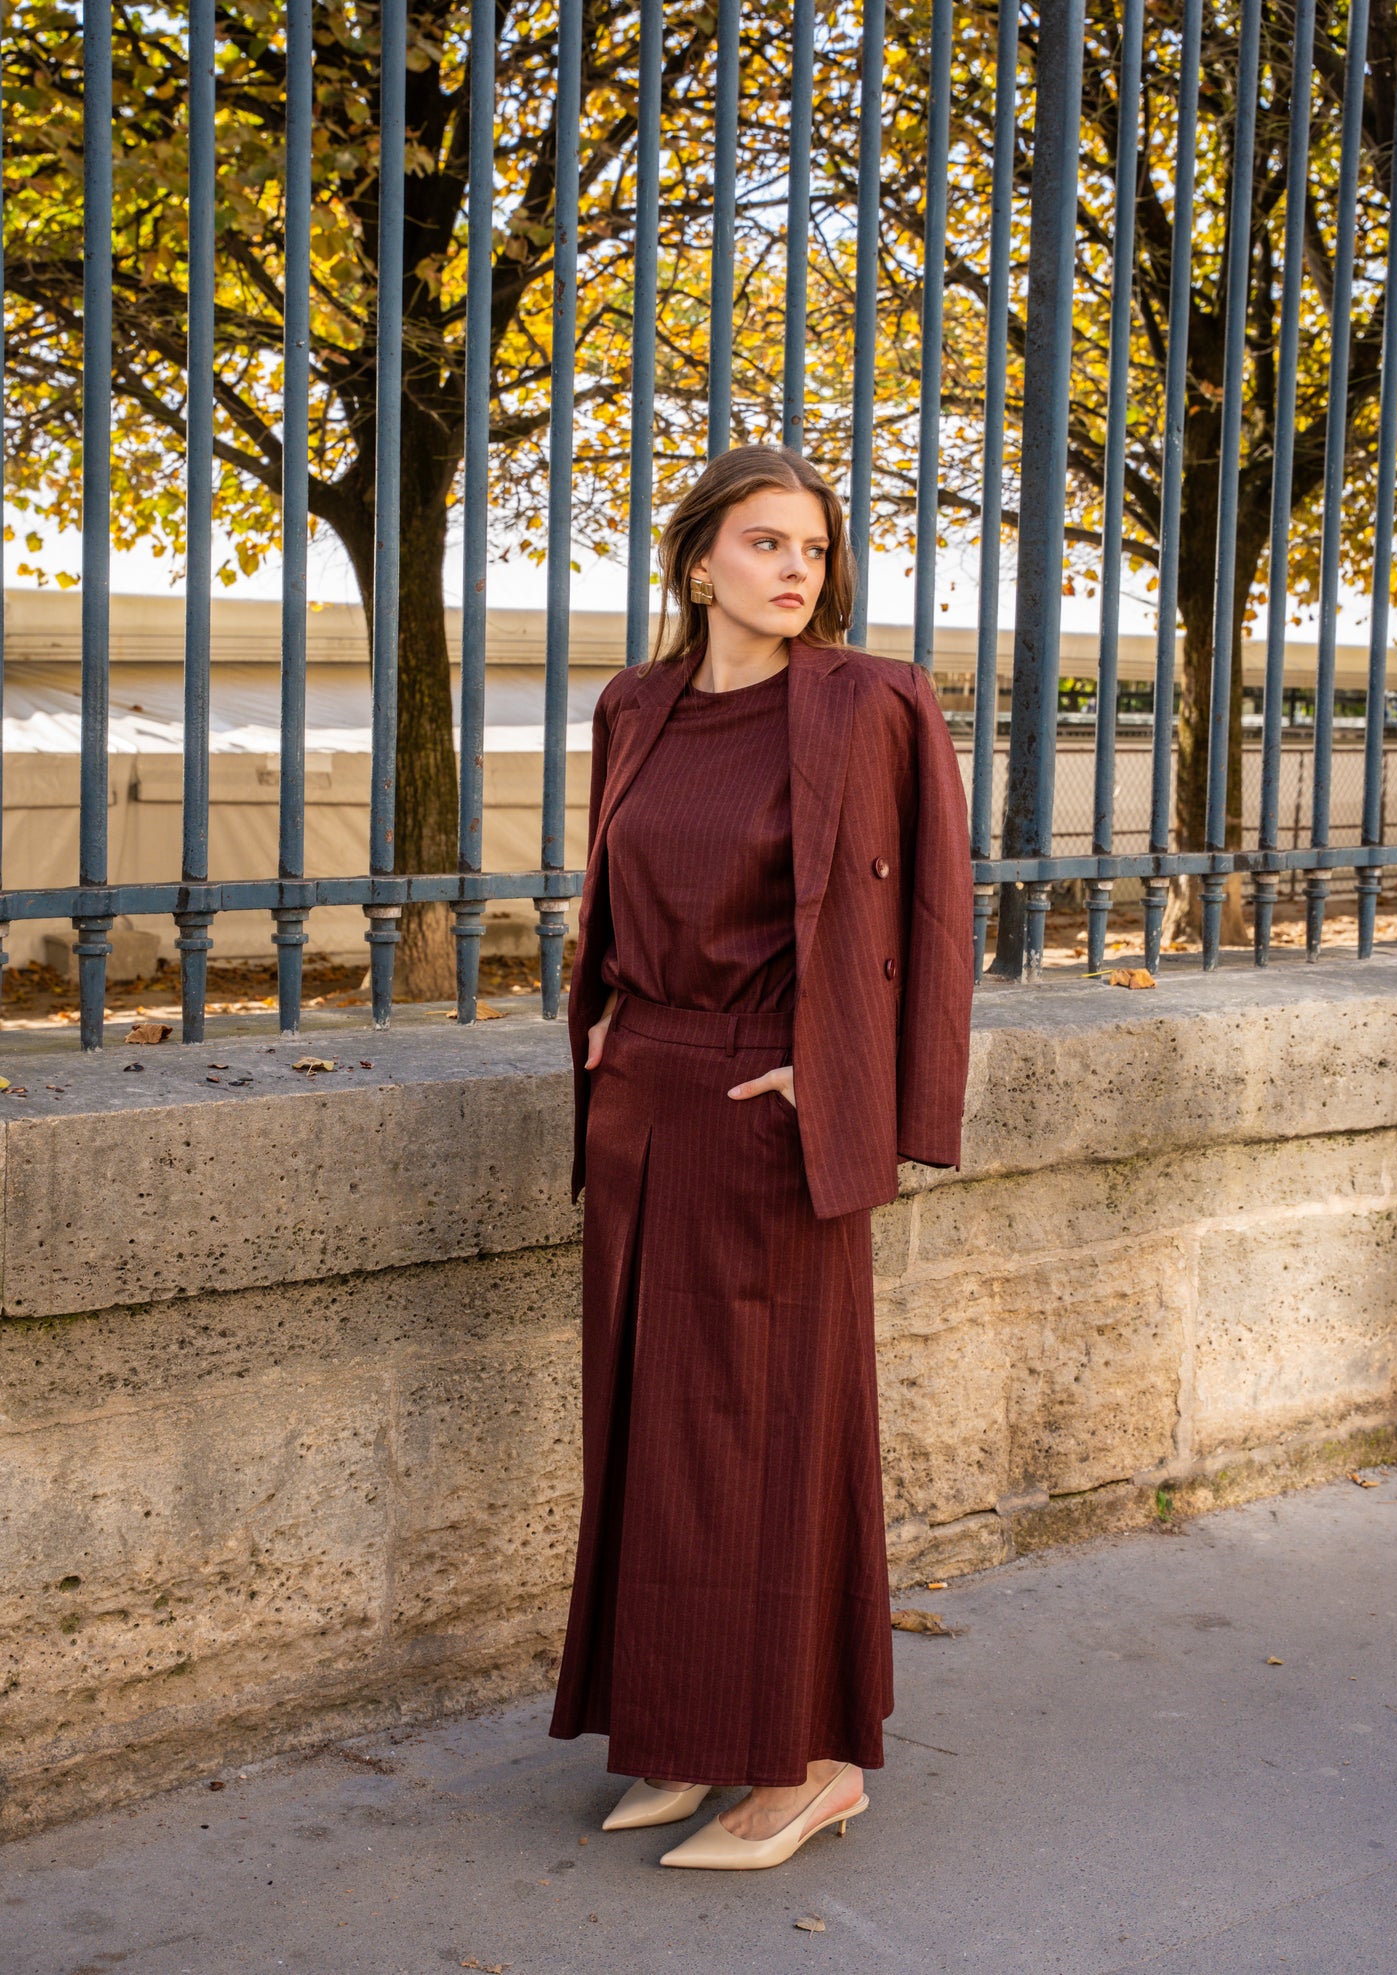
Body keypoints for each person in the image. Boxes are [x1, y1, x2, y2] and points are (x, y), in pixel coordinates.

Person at [548, 444, 973, 1870]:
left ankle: (803, 1765)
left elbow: (932, 914)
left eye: (812, 547)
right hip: (643, 1107)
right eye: (763, 543)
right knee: (652, 1439)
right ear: (694, 565)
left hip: (772, 1111)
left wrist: (844, 1077)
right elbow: (618, 883)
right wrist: (608, 1021)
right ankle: (681, 1737)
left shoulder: (867, 702)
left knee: (770, 1444)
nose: (795, 569)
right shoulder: (634, 705)